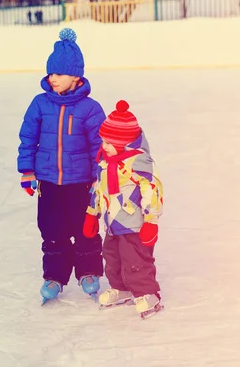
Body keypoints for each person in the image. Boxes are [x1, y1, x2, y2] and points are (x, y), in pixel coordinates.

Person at [17, 28, 106, 304]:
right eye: (50, 73)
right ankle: (54, 276)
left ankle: (88, 272)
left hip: (81, 182)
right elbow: (28, 137)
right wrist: (27, 171)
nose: (52, 78)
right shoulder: (40, 104)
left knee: (85, 229)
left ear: (76, 76)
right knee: (52, 230)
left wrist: (98, 177)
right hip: (48, 182)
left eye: (59, 73)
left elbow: (99, 147)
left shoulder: (90, 109)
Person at [83, 100, 165, 317]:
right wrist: (92, 214)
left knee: (136, 259)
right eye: (103, 141)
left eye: (108, 142)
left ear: (124, 143)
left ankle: (148, 293)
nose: (104, 146)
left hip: (135, 224)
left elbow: (152, 189)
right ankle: (120, 289)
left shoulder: (139, 162)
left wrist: (151, 220)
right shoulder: (105, 162)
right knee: (112, 257)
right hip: (113, 223)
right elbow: (99, 189)